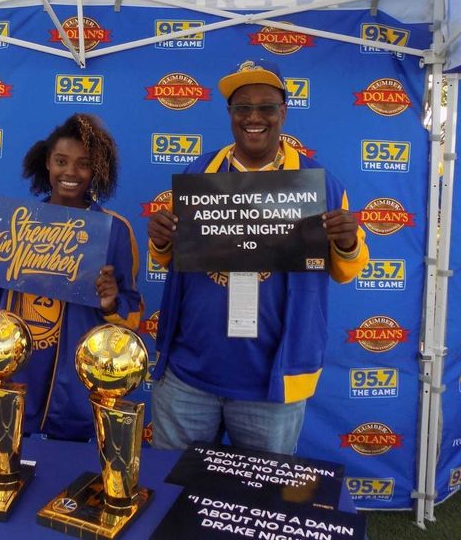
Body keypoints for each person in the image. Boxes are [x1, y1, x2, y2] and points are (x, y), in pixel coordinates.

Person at [147, 59, 369, 454]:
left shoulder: (320, 184)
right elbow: (172, 259)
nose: (254, 117)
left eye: (266, 107)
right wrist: (162, 240)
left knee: (262, 491)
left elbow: (346, 270)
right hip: (188, 375)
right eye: (242, 107)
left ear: (283, 112)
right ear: (230, 114)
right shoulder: (199, 173)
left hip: (271, 385)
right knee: (174, 484)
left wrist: (348, 241)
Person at [0, 113, 144, 441]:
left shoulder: (115, 230)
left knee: (68, 467)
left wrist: (110, 302)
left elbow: (132, 314)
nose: (70, 172)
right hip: (19, 374)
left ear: (96, 170)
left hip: (77, 388)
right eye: (61, 161)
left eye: (83, 164)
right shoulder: (16, 222)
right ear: (47, 163)